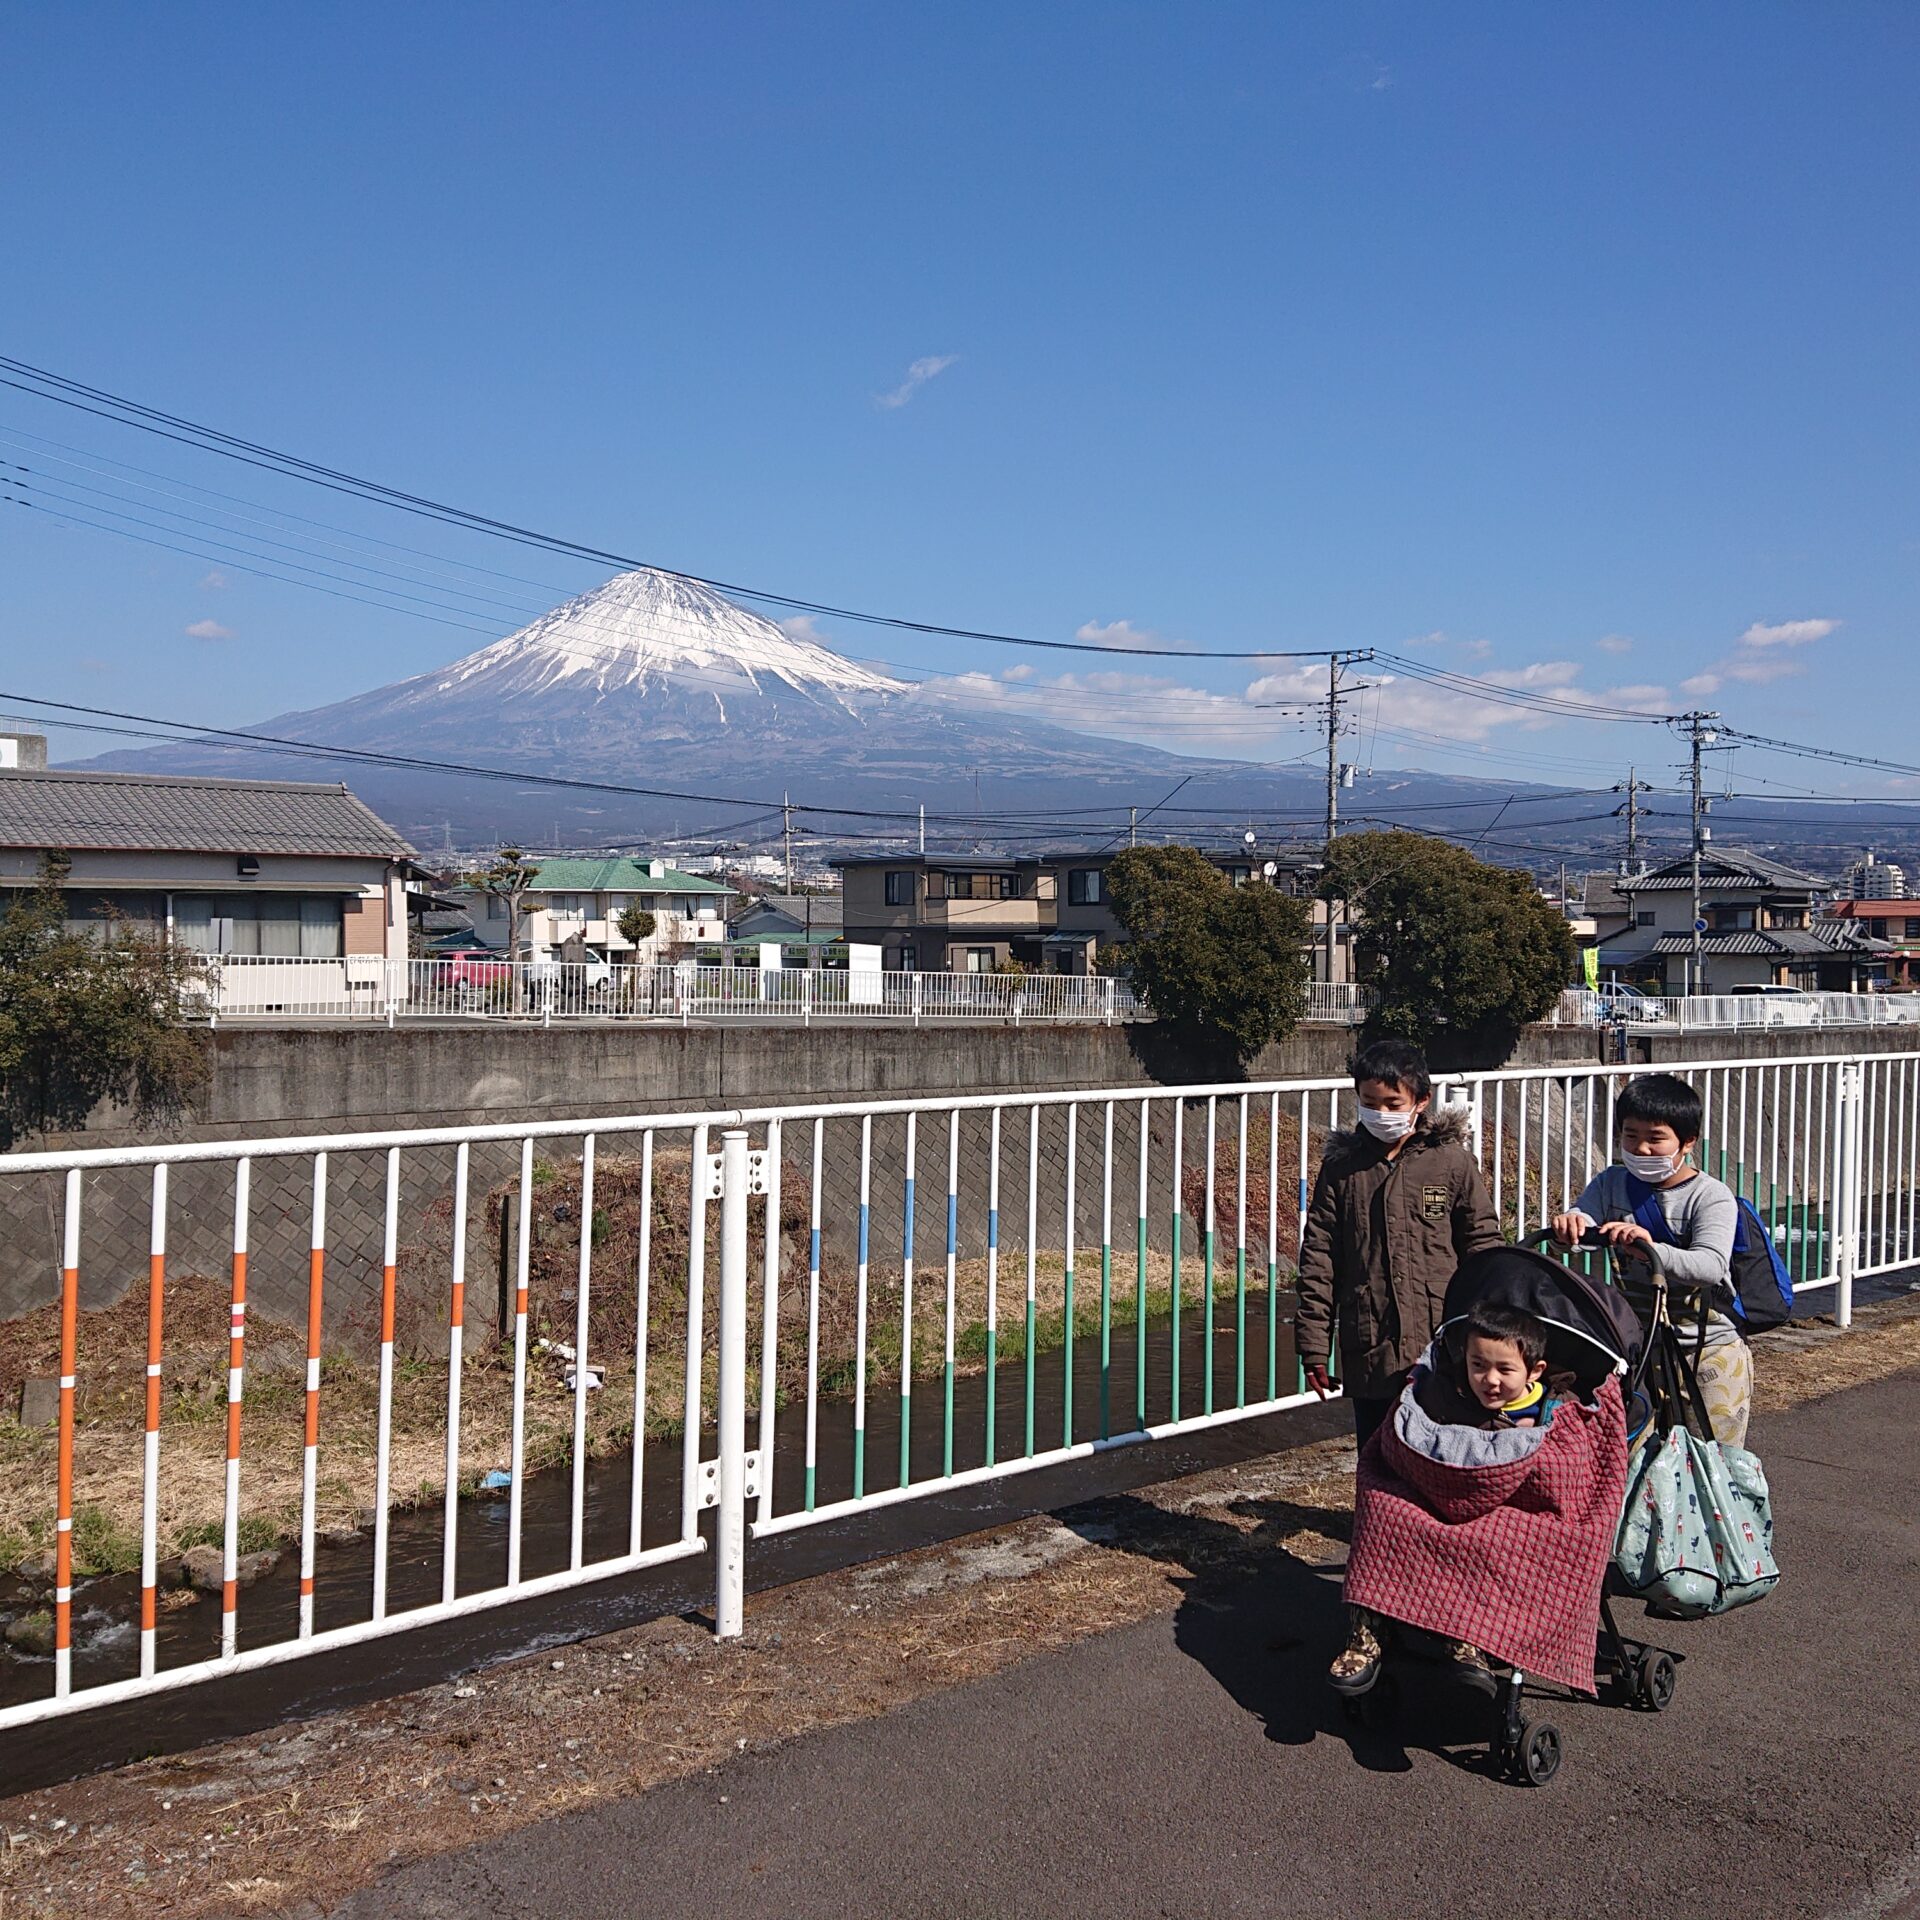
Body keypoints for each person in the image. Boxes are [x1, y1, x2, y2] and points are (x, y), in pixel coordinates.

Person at [1295, 1039, 1503, 1451]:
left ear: (1420, 1101)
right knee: (1378, 1452)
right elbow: (1319, 1259)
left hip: (1443, 1340)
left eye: (1392, 1104)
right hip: (1369, 1339)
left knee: (1445, 1451)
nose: (1380, 1114)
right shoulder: (1342, 1168)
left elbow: (1482, 1243)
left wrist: (1493, 1326)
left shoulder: (1450, 1162)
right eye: (1369, 1103)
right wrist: (1314, 1346)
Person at [1550, 1071, 1748, 1446]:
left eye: (1656, 1139)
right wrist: (1571, 1227)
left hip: (1705, 1351)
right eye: (1630, 1136)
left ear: (1687, 1142)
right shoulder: (1611, 1183)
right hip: (1636, 1350)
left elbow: (1710, 1266)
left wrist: (1650, 1248)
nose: (1641, 1149)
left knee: (1715, 1462)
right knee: (1633, 1456)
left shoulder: (1710, 1196)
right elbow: (1583, 1228)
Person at [1459, 1301, 1560, 1429]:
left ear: (1534, 1371)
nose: (1491, 1379)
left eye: (1504, 1369)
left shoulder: (1559, 1409)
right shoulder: (1449, 1399)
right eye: (1478, 1365)